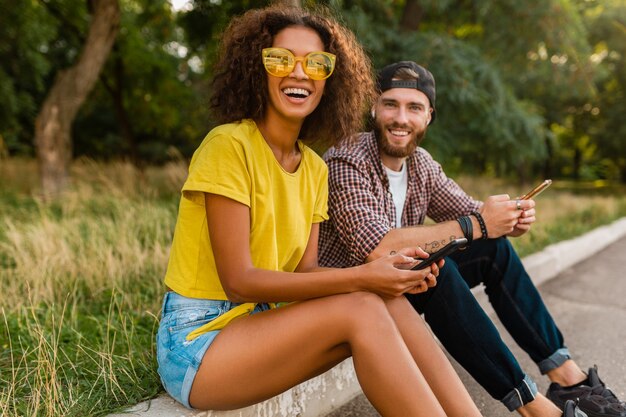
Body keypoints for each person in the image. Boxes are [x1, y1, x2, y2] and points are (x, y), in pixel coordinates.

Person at [156, 7, 486, 417]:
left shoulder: (313, 167)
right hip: (200, 342)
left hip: (262, 327)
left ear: (330, 78)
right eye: (281, 60)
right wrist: (364, 276)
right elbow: (240, 281)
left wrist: (391, 271)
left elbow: (305, 272)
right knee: (363, 301)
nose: (299, 73)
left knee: (383, 298)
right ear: (257, 69)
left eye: (316, 63)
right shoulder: (228, 146)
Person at [319, 61, 625, 417]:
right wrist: (478, 223)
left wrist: (510, 219)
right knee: (436, 267)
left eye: (414, 107)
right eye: (391, 104)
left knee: (492, 249)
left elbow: (470, 211)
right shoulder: (347, 159)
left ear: (429, 116)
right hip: (351, 297)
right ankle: (534, 406)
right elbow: (377, 247)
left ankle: (568, 378)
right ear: (374, 107)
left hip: (398, 289)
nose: (401, 118)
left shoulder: (421, 164)